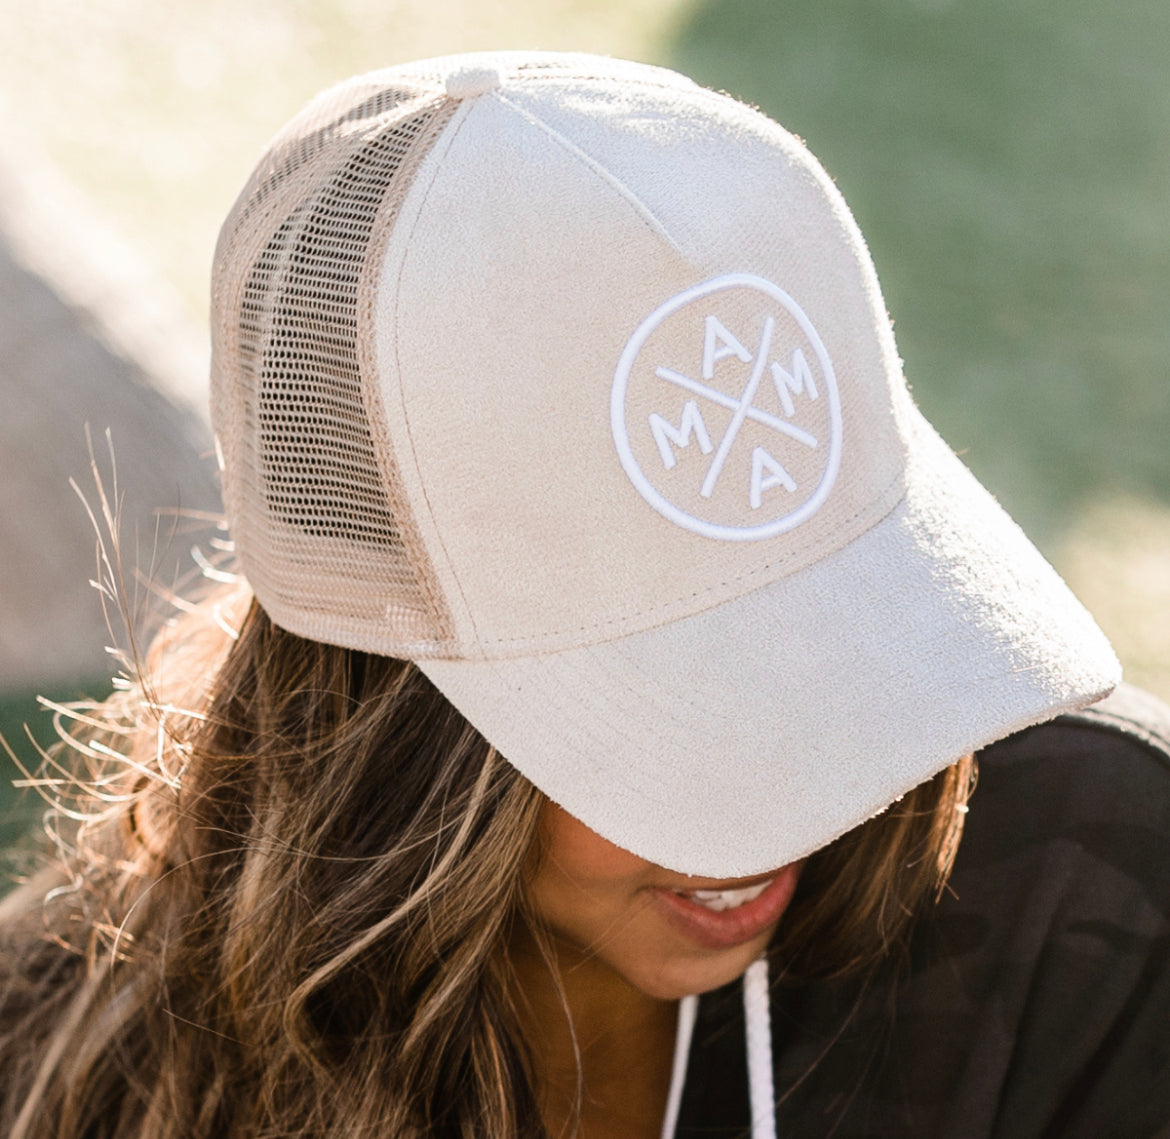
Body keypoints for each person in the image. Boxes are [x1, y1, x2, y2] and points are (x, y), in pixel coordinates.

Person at [0, 51, 1166, 1138]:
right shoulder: (71, 1064)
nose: (797, 792)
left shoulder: (1103, 882)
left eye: (834, 622)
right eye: (679, 689)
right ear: (383, 722)